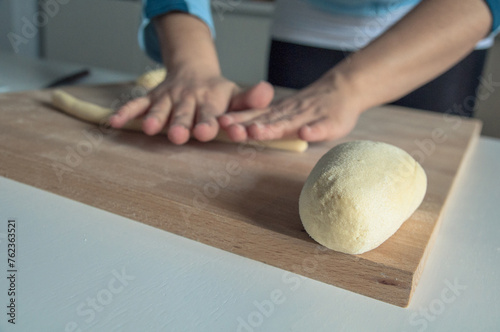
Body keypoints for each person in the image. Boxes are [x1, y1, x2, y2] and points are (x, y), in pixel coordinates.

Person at [110, 0, 500, 145]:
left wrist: (349, 86)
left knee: (425, 169)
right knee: (286, 149)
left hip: (442, 20)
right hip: (308, 15)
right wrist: (192, 63)